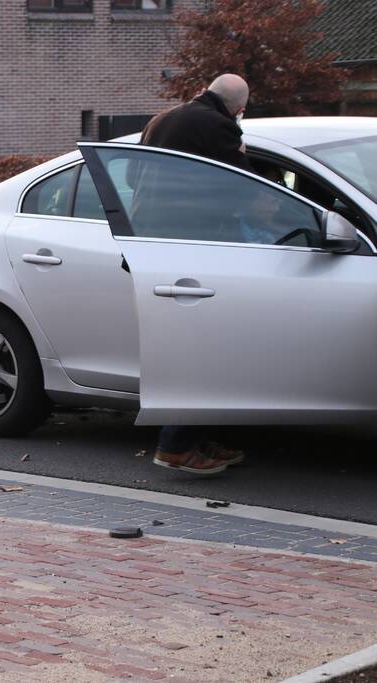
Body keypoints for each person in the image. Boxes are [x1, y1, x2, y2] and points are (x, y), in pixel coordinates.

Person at [138, 75, 250, 474]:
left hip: (152, 248)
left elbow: (139, 178)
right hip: (192, 249)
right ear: (238, 109)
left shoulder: (160, 120)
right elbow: (242, 187)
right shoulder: (220, 127)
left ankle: (194, 439)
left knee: (183, 345)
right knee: (200, 350)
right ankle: (176, 445)